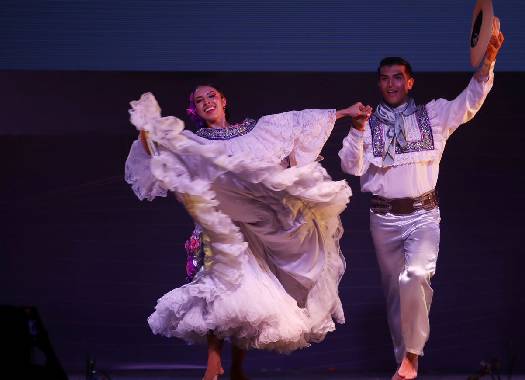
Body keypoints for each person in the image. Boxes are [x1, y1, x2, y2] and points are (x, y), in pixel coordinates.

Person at [125, 84, 371, 380]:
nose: (207, 103)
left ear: (224, 100)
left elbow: (298, 121)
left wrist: (345, 112)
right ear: (195, 109)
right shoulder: (194, 141)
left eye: (211, 96)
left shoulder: (259, 130)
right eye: (199, 100)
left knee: (245, 296)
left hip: (254, 227)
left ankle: (238, 368)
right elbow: (155, 147)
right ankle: (213, 365)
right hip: (217, 227)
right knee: (215, 288)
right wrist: (147, 127)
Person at [338, 18, 504, 380]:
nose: (391, 83)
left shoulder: (434, 114)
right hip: (383, 221)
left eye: (398, 77)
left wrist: (488, 60)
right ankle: (407, 365)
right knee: (397, 299)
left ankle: (411, 361)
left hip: (424, 215)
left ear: (409, 82)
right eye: (384, 78)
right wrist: (356, 129)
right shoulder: (369, 123)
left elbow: (470, 101)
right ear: (379, 83)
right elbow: (350, 166)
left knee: (415, 277)